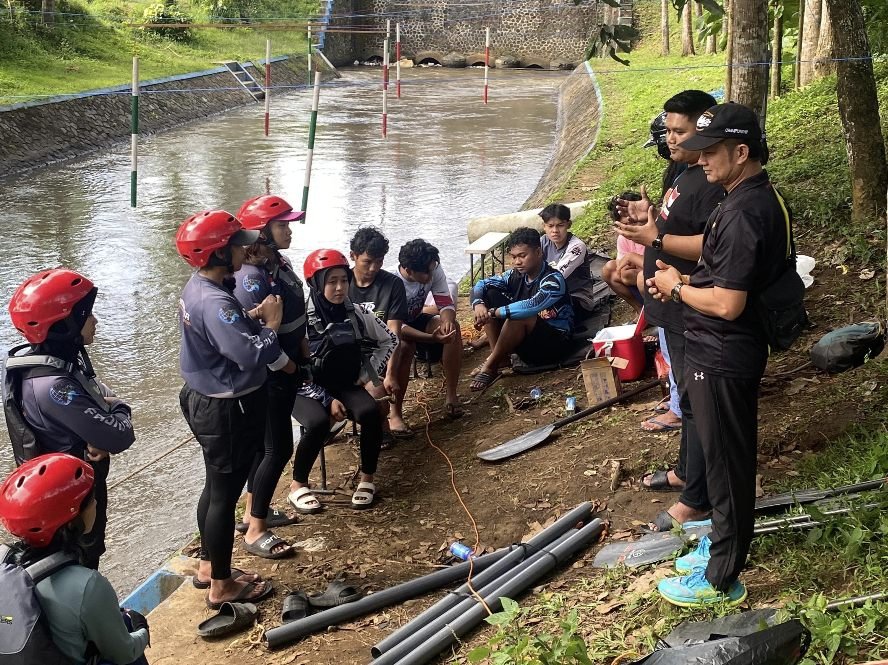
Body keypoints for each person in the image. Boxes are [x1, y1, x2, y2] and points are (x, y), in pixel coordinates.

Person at [649, 103, 789, 607]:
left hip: (725, 352)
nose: (701, 160)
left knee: (728, 464)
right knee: (721, 453)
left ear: (742, 151)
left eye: (710, 151)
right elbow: (726, 275)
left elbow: (729, 303)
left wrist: (677, 287)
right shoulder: (740, 198)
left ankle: (721, 575)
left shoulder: (746, 211)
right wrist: (683, 282)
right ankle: (724, 540)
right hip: (718, 348)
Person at [615, 91, 725, 512]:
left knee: (697, 402)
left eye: (679, 131)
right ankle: (685, 470)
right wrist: (649, 216)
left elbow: (715, 247)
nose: (671, 139)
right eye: (669, 129)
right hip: (667, 304)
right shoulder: (681, 173)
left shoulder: (712, 182)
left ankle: (697, 495)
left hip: (688, 305)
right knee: (683, 390)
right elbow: (669, 225)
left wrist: (656, 238)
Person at [176, 209, 280, 607]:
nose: (246, 249)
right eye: (237, 244)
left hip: (207, 400)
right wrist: (270, 324)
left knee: (216, 487)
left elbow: (223, 331)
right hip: (227, 411)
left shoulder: (199, 289)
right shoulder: (216, 302)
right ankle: (221, 585)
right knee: (224, 496)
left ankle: (208, 566)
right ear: (218, 253)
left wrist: (248, 315)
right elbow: (248, 355)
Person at [3, 268, 135, 570]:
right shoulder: (55, 387)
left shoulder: (49, 364)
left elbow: (96, 391)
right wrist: (120, 408)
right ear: (64, 324)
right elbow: (119, 435)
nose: (95, 320)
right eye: (86, 314)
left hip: (62, 490)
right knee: (83, 560)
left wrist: (100, 415)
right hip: (70, 500)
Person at [0, 453, 149, 665]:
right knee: (128, 626)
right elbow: (124, 653)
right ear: (72, 522)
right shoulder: (87, 584)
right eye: (90, 500)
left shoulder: (3, 559)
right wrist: (142, 628)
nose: (96, 502)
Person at [232, 195, 310, 556]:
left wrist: (303, 347)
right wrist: (288, 366)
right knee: (277, 448)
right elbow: (259, 340)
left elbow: (293, 316)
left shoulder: (277, 263)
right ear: (260, 234)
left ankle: (252, 513)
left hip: (291, 362)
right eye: (282, 224)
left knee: (269, 446)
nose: (289, 229)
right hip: (271, 374)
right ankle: (255, 529)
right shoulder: (250, 281)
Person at [302, 249, 398, 510]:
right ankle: (298, 484)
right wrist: (324, 398)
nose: (340, 287)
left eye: (344, 280)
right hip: (309, 386)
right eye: (331, 281)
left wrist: (366, 375)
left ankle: (368, 478)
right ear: (316, 283)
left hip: (346, 383)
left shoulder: (355, 313)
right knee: (317, 423)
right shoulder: (300, 318)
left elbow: (389, 339)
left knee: (370, 411)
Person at [470, 227, 574, 391]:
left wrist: (494, 312)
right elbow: (480, 284)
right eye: (513, 257)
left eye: (522, 256)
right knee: (488, 293)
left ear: (538, 252)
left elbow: (531, 306)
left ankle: (490, 365)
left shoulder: (553, 279)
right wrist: (478, 304)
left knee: (520, 315)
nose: (517, 262)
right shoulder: (514, 275)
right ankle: (500, 357)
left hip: (554, 344)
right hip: (527, 338)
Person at [347, 227, 408, 438]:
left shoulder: (392, 285)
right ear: (353, 256)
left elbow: (393, 335)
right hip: (346, 352)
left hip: (376, 354)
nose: (373, 268)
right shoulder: (339, 282)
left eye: (379, 261)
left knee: (377, 395)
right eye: (367, 262)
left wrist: (390, 374)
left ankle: (384, 419)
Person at [393, 239, 463, 418]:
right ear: (409, 270)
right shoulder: (392, 282)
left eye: (433, 270)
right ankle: (395, 413)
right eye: (426, 274)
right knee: (403, 347)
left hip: (417, 319)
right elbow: (397, 327)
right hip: (396, 327)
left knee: (453, 328)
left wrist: (447, 321)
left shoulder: (432, 268)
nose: (431, 277)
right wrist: (431, 339)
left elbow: (445, 301)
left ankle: (451, 394)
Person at [538, 203, 599, 320]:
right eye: (550, 226)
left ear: (568, 225)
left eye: (560, 225)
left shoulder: (577, 247)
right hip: (547, 295)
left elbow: (556, 279)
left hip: (576, 299)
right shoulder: (543, 242)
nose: (555, 231)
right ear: (544, 226)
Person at [601, 194, 646, 315]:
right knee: (609, 269)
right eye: (626, 224)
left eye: (636, 221)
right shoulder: (624, 238)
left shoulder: (654, 231)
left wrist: (632, 257)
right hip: (637, 280)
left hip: (656, 279)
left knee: (642, 276)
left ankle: (655, 315)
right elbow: (623, 271)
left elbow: (656, 265)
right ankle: (640, 310)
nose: (633, 228)